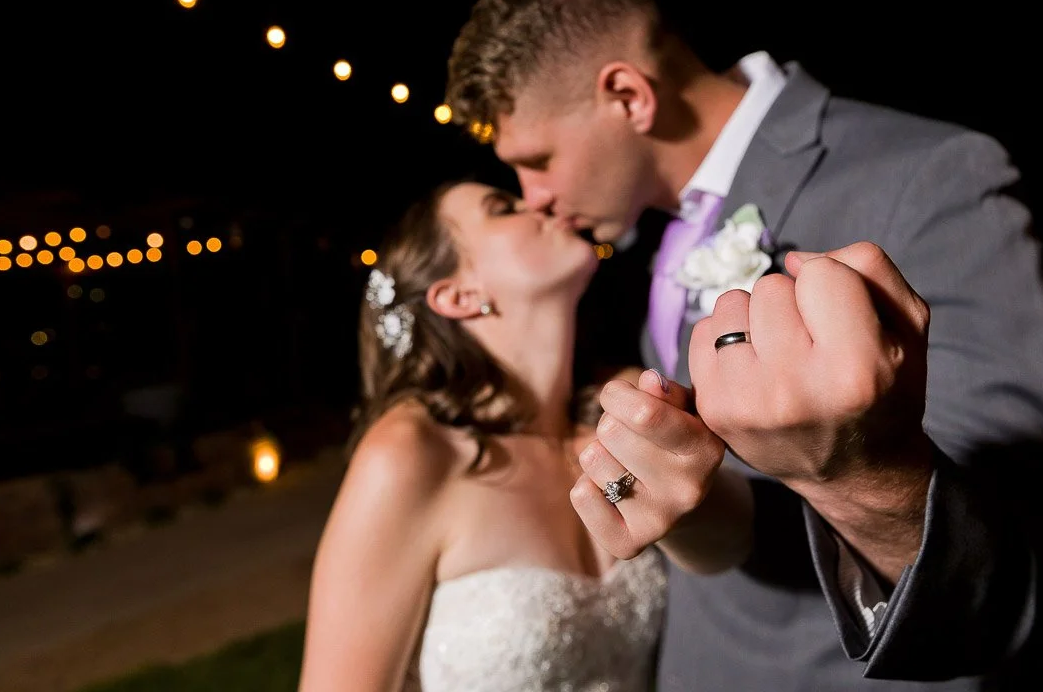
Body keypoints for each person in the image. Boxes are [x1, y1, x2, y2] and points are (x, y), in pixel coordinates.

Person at [443, 0, 1043, 689]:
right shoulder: (663, 228)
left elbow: (1024, 556)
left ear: (628, 96)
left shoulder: (931, 177)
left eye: (537, 161)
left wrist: (858, 472)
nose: (534, 198)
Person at [296, 178, 754, 691]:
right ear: (460, 295)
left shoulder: (618, 414)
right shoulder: (412, 454)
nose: (538, 201)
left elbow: (732, 545)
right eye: (502, 208)